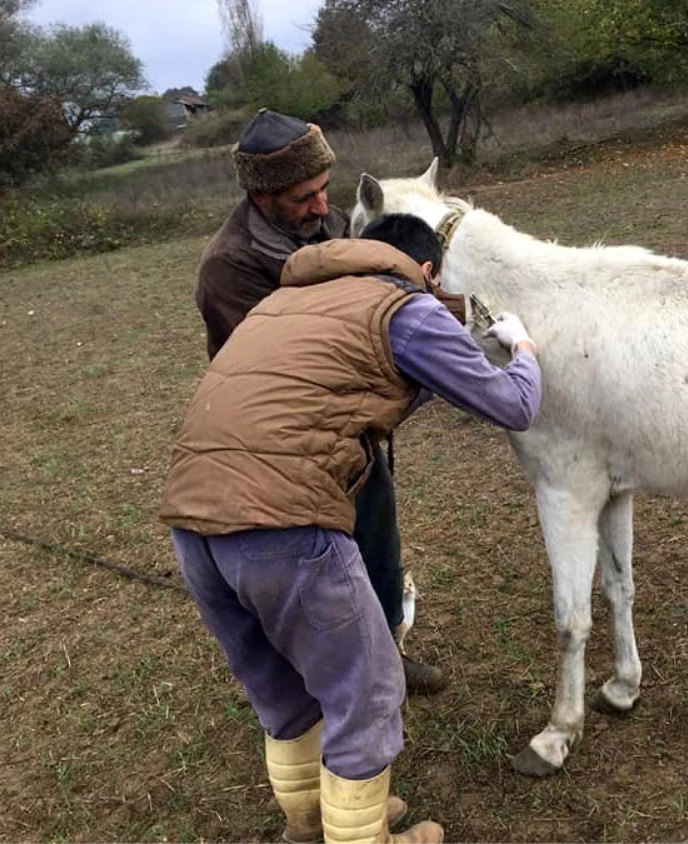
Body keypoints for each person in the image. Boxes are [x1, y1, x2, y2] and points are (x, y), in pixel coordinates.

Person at [161, 212, 542, 843]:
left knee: (282, 690)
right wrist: (522, 346)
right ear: (426, 272)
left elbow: (347, 391)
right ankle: (361, 834)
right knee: (365, 694)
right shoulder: (404, 309)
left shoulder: (285, 302)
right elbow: (513, 405)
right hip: (284, 525)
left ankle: (311, 823)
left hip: (193, 522)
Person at [195, 108, 455, 695]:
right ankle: (322, 681)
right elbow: (268, 369)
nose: (320, 207)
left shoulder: (334, 225)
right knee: (313, 567)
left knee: (377, 540)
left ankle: (388, 651)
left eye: (323, 190)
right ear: (261, 197)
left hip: (354, 432)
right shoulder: (229, 267)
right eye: (301, 197)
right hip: (285, 446)